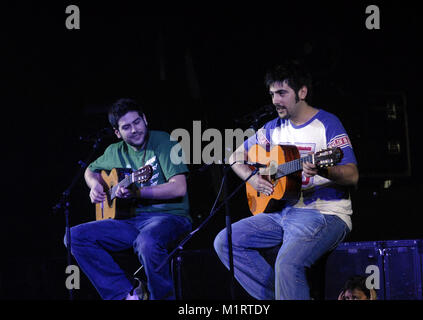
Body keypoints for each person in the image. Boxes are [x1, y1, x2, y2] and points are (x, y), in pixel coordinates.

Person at [214, 60, 359, 300]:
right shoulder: (272, 128)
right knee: (225, 242)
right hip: (285, 213)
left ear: (302, 92)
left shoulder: (328, 123)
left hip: (325, 213)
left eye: (282, 93)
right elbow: (234, 156)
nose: (275, 100)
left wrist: (325, 171)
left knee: (287, 265)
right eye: (272, 94)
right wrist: (251, 178)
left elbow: (352, 175)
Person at [65, 98, 192, 300]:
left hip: (169, 217)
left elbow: (179, 188)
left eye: (137, 122)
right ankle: (128, 293)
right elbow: (90, 170)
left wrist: (138, 193)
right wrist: (95, 185)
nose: (134, 130)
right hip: (130, 222)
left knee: (146, 242)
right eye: (126, 127)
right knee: (74, 236)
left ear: (145, 119)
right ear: (118, 133)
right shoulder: (114, 151)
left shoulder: (164, 142)